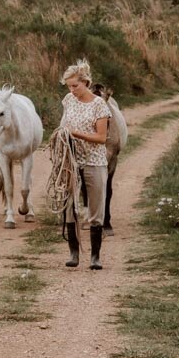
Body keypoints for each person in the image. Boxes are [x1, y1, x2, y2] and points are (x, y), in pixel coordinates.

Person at [58, 59, 111, 269]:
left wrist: (75, 133)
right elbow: (63, 125)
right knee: (70, 204)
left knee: (96, 207)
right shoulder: (68, 100)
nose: (72, 90)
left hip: (94, 161)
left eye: (75, 86)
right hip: (72, 160)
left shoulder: (99, 105)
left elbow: (101, 138)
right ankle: (74, 254)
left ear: (86, 82)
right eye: (69, 86)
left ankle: (95, 256)